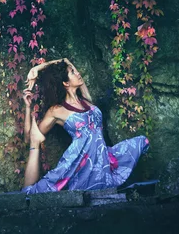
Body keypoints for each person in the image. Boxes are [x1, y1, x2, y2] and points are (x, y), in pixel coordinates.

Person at [21, 58, 150, 194]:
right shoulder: (56, 110)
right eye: (72, 72)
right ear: (65, 83)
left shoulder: (85, 97)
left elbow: (66, 60)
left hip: (101, 157)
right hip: (77, 161)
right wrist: (28, 107)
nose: (78, 73)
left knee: (141, 141)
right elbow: (30, 139)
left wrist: (37, 68)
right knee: (31, 192)